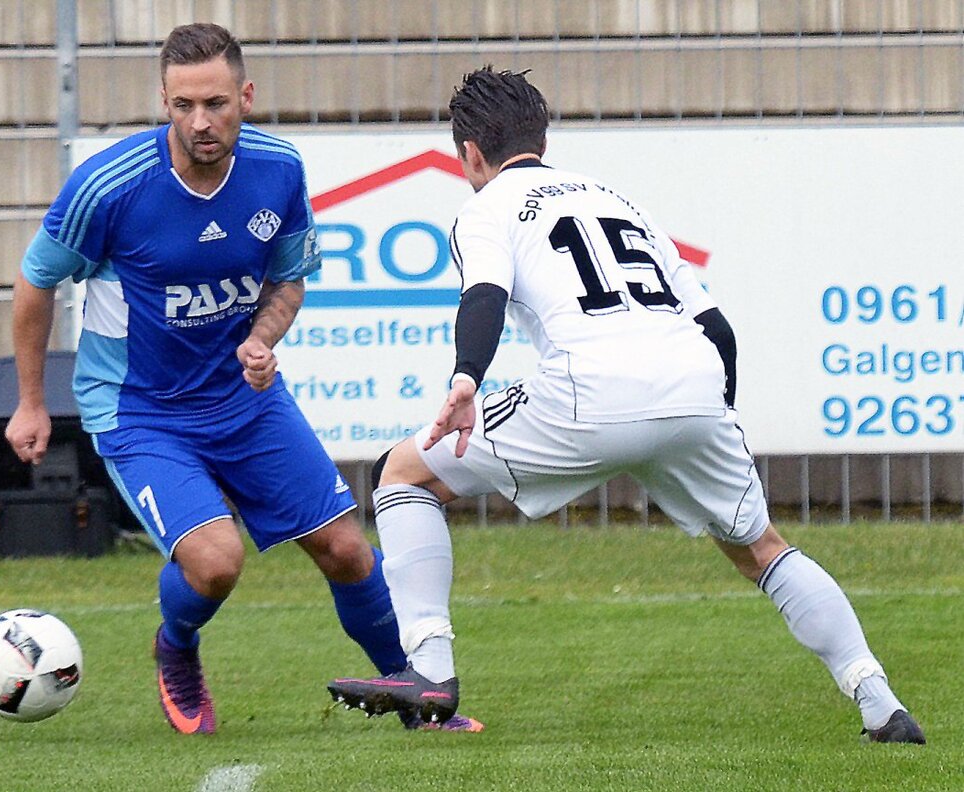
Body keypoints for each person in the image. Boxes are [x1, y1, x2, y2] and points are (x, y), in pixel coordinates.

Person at [328, 67, 925, 743]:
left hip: (591, 395)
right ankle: (882, 704)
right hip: (694, 387)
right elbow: (719, 328)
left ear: (469, 154)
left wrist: (466, 377)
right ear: (541, 136)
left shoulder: (486, 207)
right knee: (761, 548)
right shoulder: (616, 199)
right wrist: (714, 419)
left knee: (404, 474)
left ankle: (431, 670)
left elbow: (485, 297)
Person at [4, 22, 481, 735]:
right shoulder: (108, 186)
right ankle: (177, 646)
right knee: (217, 562)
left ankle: (419, 702)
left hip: (242, 399)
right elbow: (34, 284)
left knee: (347, 549)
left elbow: (288, 279)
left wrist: (260, 339)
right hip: (140, 411)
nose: (201, 121)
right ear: (164, 101)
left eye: (217, 103)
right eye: (183, 105)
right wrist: (32, 402)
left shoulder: (278, 168)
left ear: (246, 97)